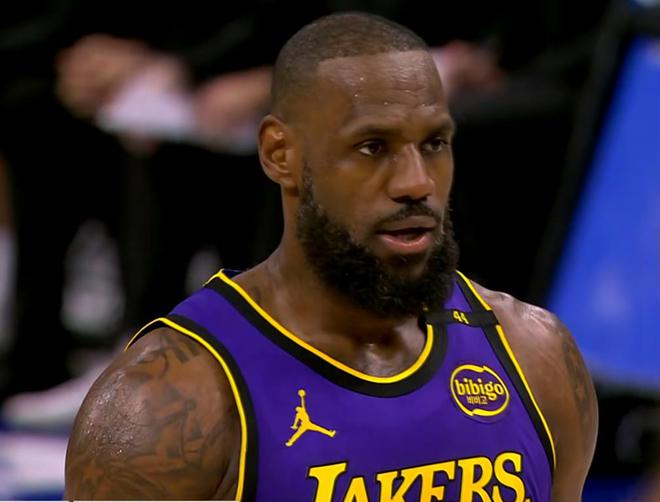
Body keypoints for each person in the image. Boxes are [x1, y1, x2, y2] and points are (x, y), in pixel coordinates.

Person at [64, 13, 598, 501]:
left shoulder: (536, 355)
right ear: (280, 154)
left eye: (434, 143)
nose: (416, 182)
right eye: (372, 147)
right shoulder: (167, 404)